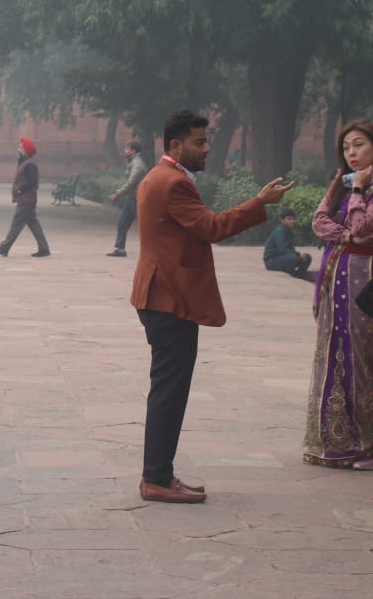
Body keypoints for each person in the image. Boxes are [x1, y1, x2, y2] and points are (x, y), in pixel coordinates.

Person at [130, 109, 293, 502]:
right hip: (169, 297)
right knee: (170, 390)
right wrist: (259, 202)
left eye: (207, 141)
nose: (207, 148)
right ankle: (156, 477)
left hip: (160, 293)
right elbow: (213, 228)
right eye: (199, 142)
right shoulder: (173, 183)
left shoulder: (160, 176)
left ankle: (160, 474)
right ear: (175, 145)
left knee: (168, 388)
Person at [304, 120, 373, 470]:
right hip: (337, 277)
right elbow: (319, 221)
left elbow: (365, 228)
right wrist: (349, 237)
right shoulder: (339, 182)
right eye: (347, 147)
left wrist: (359, 193)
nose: (351, 153)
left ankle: (371, 445)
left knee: (367, 358)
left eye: (359, 145)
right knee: (333, 353)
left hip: (367, 282)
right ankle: (336, 441)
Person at [0, 137, 51, 258]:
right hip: (27, 199)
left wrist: (20, 188)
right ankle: (44, 249)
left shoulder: (29, 165)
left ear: (26, 150)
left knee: (17, 223)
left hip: (26, 199)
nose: (18, 148)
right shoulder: (25, 162)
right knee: (33, 223)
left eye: (20, 147)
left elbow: (33, 181)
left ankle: (4, 247)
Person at [107, 140, 148, 257]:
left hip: (138, 199)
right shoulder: (133, 162)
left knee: (145, 226)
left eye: (127, 148)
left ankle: (155, 249)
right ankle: (120, 249)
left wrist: (117, 194)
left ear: (133, 151)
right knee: (122, 223)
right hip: (132, 198)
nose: (124, 151)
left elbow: (131, 182)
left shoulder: (137, 164)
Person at [262, 209, 311, 275]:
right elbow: (282, 250)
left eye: (293, 219)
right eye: (289, 219)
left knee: (307, 257)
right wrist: (298, 254)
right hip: (271, 261)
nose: (292, 221)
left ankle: (299, 275)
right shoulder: (279, 231)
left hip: (283, 258)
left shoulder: (289, 231)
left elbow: (291, 248)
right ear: (282, 220)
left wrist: (299, 256)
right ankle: (292, 274)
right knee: (293, 258)